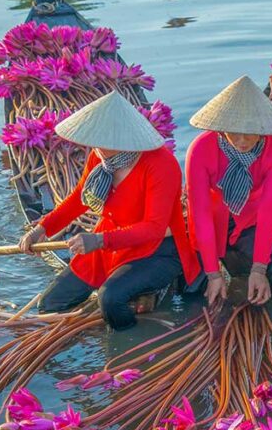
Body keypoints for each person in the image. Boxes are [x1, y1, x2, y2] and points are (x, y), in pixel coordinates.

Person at [19, 90, 200, 329]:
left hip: (156, 250)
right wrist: (43, 228)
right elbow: (80, 199)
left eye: (103, 140)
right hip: (111, 244)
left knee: (110, 300)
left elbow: (155, 229)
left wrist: (99, 240)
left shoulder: (161, 165)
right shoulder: (100, 158)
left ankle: (133, 347)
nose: (96, 146)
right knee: (51, 303)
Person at [185, 75, 272, 308]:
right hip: (212, 223)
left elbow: (269, 210)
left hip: (251, 221)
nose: (241, 140)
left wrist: (259, 268)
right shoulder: (200, 148)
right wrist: (213, 273)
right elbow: (201, 213)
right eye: (233, 132)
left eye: (249, 132)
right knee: (190, 292)